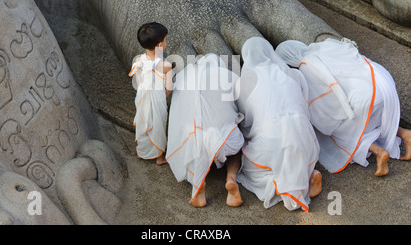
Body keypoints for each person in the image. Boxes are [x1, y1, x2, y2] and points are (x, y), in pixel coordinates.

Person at [275, 38, 411, 176]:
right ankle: (405, 134)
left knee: (341, 134)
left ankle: (379, 152)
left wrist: (324, 126)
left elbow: (323, 106)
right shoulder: (324, 45)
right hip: (382, 81)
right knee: (372, 118)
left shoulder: (306, 66)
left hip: (366, 97)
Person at [236, 37, 322, 212]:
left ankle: (287, 184)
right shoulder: (292, 73)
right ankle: (310, 171)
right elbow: (304, 103)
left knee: (250, 171)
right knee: (295, 152)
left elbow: (246, 119)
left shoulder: (244, 81)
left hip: (271, 137)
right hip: (304, 135)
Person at [166, 54, 244, 207]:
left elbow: (176, 114)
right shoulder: (227, 76)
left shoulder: (183, 76)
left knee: (192, 133)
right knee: (237, 134)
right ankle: (231, 178)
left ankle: (199, 182)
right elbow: (239, 108)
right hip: (223, 141)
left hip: (192, 141)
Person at [129, 22, 173, 165]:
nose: (166, 42)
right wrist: (161, 96)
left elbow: (138, 83)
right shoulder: (165, 66)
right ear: (160, 45)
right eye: (166, 39)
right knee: (158, 125)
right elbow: (169, 88)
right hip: (157, 101)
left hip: (141, 99)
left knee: (143, 124)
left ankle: (142, 152)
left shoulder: (138, 61)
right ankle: (160, 157)